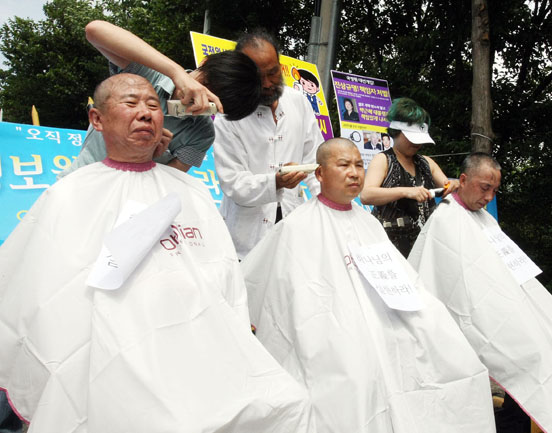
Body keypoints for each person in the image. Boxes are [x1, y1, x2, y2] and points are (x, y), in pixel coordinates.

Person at [0, 74, 314, 433]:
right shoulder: (69, 194)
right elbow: (42, 291)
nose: (146, 114)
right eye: (130, 104)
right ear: (97, 119)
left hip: (193, 347)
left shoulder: (188, 193)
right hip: (107, 350)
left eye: (153, 106)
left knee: (289, 402)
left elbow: (221, 273)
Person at [241, 138, 496, 433]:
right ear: (320, 174)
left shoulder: (369, 224)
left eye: (359, 165)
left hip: (381, 322)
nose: (354, 173)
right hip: (327, 334)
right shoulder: (296, 227)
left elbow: (402, 281)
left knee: (453, 357)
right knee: (355, 373)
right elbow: (279, 292)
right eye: (343, 165)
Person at [409, 152, 552, 433]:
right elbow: (454, 285)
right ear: (464, 180)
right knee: (534, 353)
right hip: (469, 318)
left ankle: (519, 419)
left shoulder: (483, 220)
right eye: (485, 188)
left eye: (495, 190)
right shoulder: (446, 219)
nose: (489, 197)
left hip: (499, 309)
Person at [58, 20, 261, 178]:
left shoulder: (202, 134)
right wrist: (177, 73)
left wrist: (147, 158)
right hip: (77, 186)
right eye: (203, 84)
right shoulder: (148, 74)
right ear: (204, 62)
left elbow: (169, 181)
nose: (196, 97)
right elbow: (94, 30)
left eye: (209, 104)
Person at [213, 29, 323, 259]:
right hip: (245, 238)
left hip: (293, 226)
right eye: (257, 77)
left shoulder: (298, 102)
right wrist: (275, 182)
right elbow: (233, 182)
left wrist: (324, 207)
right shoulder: (229, 115)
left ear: (280, 66)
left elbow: (315, 162)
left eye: (273, 73)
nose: (267, 83)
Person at [361, 97, 459, 257]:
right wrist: (406, 191)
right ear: (395, 132)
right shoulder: (383, 160)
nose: (417, 144)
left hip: (424, 245)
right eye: (411, 138)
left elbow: (448, 186)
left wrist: (453, 186)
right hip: (389, 247)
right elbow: (366, 195)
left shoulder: (427, 162)